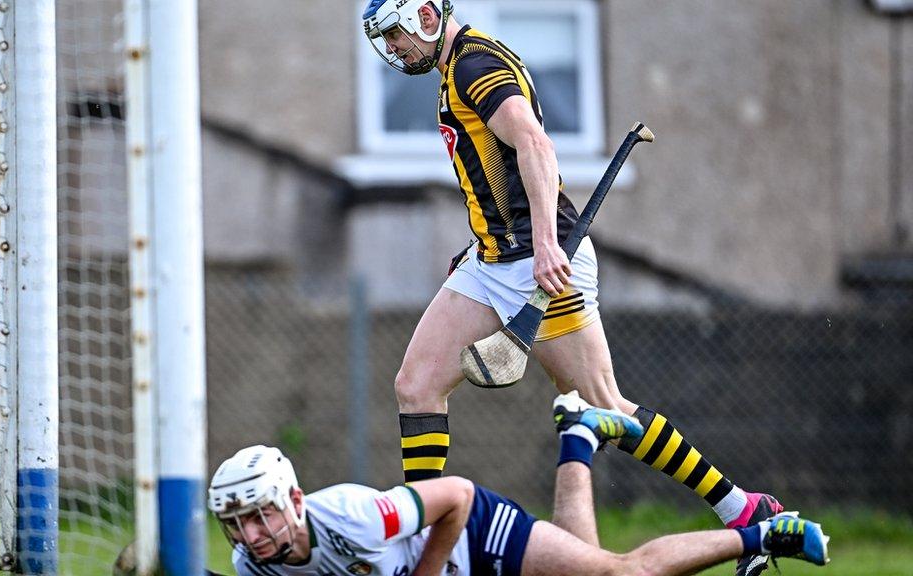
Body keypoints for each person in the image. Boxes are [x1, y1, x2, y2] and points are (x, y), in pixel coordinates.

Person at [360, 3, 781, 573]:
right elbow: (496, 171)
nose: (394, 48)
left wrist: (542, 244)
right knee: (416, 385)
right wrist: (484, 239)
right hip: (492, 262)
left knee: (606, 406)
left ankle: (744, 509)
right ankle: (426, 542)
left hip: (541, 261)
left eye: (396, 34)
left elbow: (534, 145)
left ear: (428, 17)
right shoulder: (453, 67)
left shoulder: (473, 64)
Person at [206, 394, 829, 576]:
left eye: (260, 516)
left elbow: (458, 495)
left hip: (478, 536)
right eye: (237, 525)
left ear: (292, 499)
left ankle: (761, 534)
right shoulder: (253, 564)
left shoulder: (355, 516)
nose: (252, 535)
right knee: (590, 558)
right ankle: (580, 438)